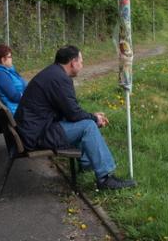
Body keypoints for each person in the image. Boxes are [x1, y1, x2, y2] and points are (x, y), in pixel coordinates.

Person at [15, 45, 136, 190]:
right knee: (88, 126)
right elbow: (73, 114)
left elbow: (70, 112)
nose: (82, 65)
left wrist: (91, 116)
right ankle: (105, 178)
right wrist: (94, 119)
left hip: (31, 130)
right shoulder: (60, 79)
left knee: (85, 122)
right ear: (73, 62)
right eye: (81, 61)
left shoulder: (53, 74)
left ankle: (87, 165)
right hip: (36, 135)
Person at [0, 44, 27, 115]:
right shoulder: (0, 75)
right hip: (17, 111)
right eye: (10, 57)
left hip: (22, 107)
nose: (11, 59)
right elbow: (14, 97)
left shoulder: (8, 71)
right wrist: (31, 95)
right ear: (3, 59)